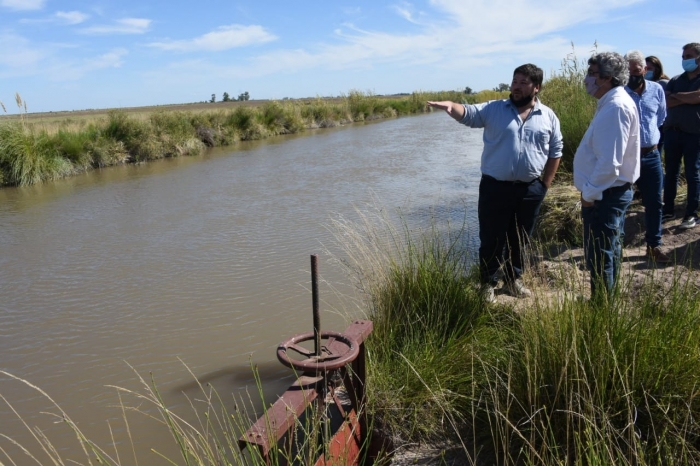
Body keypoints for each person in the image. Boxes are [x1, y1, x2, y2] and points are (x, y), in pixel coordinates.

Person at [427, 64, 563, 303]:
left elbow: (556, 150)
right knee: (491, 238)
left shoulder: (548, 116)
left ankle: (513, 280)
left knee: (521, 238)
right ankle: (488, 283)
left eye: (523, 82)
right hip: (494, 188)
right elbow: (469, 113)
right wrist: (451, 106)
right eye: (515, 81)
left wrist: (545, 185)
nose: (516, 86)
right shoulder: (494, 109)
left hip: (530, 189)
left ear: (536, 87)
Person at [574, 52, 640, 299]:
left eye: (592, 74)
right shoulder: (611, 102)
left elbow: (610, 164)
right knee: (607, 251)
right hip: (608, 191)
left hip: (605, 194)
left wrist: (589, 195)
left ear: (608, 78)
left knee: (600, 255)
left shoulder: (615, 107)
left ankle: (601, 309)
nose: (587, 79)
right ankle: (604, 303)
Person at [624, 50, 669, 263]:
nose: (633, 74)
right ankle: (616, 246)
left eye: (636, 70)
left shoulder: (657, 90)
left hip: (651, 155)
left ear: (645, 69)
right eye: (628, 70)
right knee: (621, 201)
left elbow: (660, 117)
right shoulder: (620, 92)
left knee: (654, 202)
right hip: (626, 157)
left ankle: (654, 245)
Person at [662, 43, 700, 229]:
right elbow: (666, 102)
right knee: (671, 172)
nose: (685, 60)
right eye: (684, 56)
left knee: (693, 173)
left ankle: (691, 214)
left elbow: (698, 97)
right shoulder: (676, 79)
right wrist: (688, 97)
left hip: (694, 134)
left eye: (689, 56)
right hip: (673, 133)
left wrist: (679, 96)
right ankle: (668, 210)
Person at [645, 55, 670, 154]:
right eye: (645, 68)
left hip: (661, 127)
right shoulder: (644, 84)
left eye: (649, 68)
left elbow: (664, 107)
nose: (646, 71)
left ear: (657, 69)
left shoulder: (662, 83)